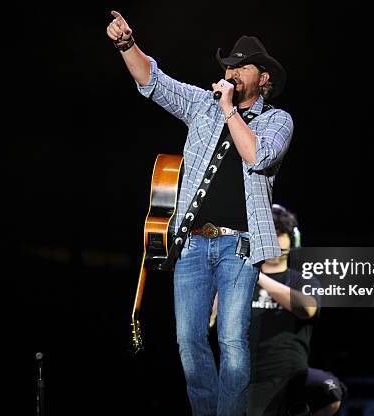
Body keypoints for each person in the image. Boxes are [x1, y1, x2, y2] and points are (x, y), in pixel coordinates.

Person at [106, 11, 293, 416]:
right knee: (188, 341)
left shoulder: (277, 120)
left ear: (264, 78)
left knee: (231, 341)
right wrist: (126, 46)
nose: (233, 72)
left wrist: (229, 110)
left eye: (243, 67)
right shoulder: (202, 106)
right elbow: (154, 82)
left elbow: (258, 156)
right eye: (230, 66)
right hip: (192, 244)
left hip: (239, 247)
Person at [246, 204, 347, 416]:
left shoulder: (302, 280)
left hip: (293, 378)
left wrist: (258, 277)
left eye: (279, 234)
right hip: (249, 380)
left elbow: (307, 308)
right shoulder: (239, 282)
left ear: (292, 240)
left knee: (328, 389)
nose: (273, 241)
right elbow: (209, 321)